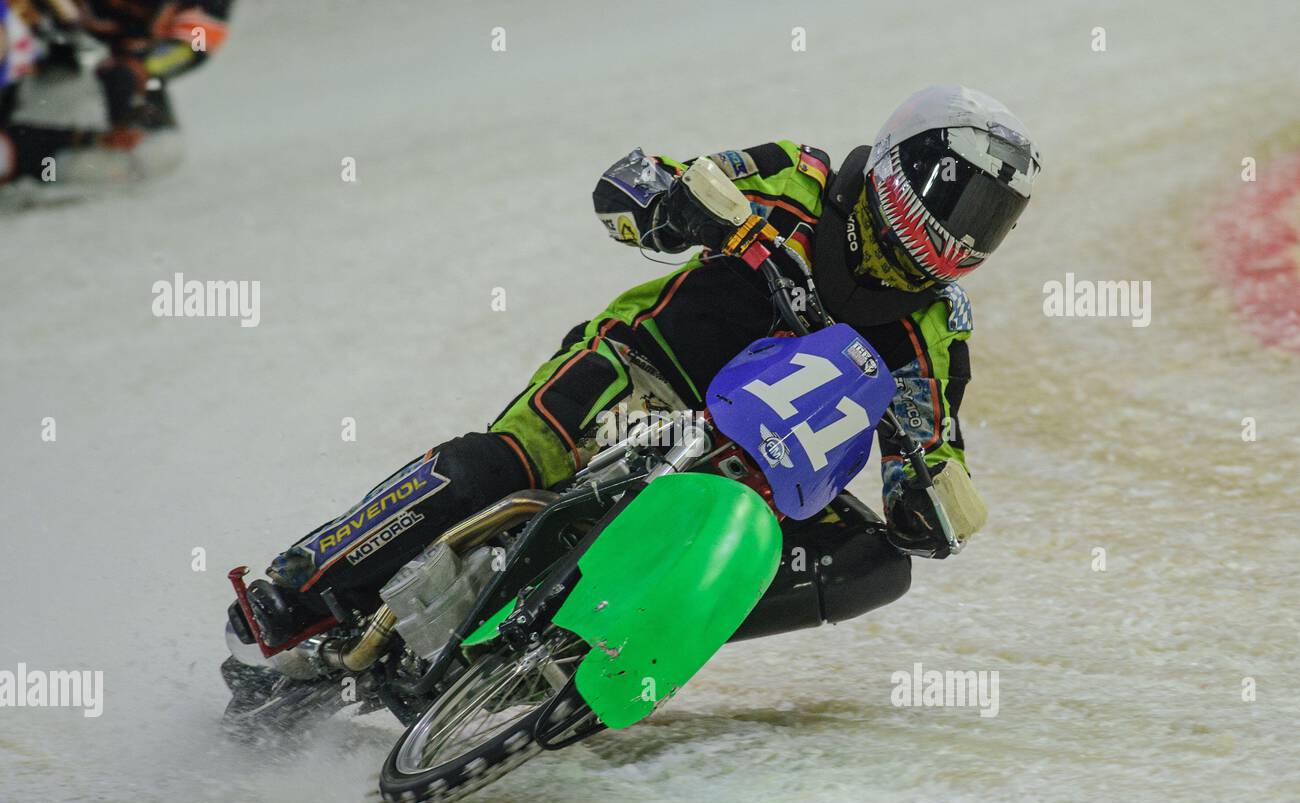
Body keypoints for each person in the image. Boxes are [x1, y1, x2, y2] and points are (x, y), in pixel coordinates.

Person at [232, 85, 1041, 646]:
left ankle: (629, 635)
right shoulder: (800, 179)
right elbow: (629, 186)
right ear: (908, 168)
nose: (966, 235)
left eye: (991, 219)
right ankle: (303, 580)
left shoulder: (933, 334)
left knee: (877, 566)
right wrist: (672, 206)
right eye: (962, 201)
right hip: (648, 374)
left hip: (753, 477)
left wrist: (929, 505)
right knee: (506, 463)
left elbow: (930, 451)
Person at [0, 0, 232, 185]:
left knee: (159, 152)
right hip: (44, 68)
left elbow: (195, 44)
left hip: (111, 81)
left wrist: (141, 68)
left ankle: (24, 159)